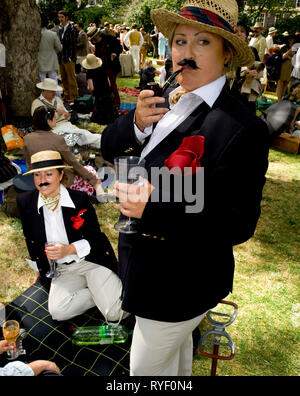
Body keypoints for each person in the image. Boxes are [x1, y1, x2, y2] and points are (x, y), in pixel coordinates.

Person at [100, 0, 269, 376]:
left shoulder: (242, 127)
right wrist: (135, 125)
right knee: (174, 368)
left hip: (180, 283)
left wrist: (153, 208)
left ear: (227, 53)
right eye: (179, 42)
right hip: (141, 267)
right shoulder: (167, 99)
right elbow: (109, 148)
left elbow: (238, 223)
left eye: (202, 43)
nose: (186, 54)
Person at [17, 150, 126, 323]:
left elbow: (95, 239)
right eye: (37, 175)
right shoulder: (26, 202)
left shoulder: (79, 199)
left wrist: (69, 249)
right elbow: (29, 237)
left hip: (91, 261)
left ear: (61, 175)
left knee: (114, 314)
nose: (42, 180)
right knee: (58, 312)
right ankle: (99, 293)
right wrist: (38, 267)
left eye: (48, 174)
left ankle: (107, 292)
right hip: (63, 269)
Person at [24, 106, 103, 196]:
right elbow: (73, 163)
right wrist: (93, 180)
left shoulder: (27, 139)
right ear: (48, 122)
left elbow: (29, 164)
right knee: (90, 170)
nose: (56, 119)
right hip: (58, 182)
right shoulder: (57, 139)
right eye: (54, 118)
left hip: (38, 180)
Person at [31, 78, 101, 149]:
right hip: (53, 130)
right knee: (82, 136)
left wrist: (67, 115)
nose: (54, 93)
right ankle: (104, 141)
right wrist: (57, 114)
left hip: (66, 125)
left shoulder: (57, 100)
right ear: (44, 90)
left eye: (55, 91)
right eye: (52, 91)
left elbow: (67, 115)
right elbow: (40, 122)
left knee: (84, 134)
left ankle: (103, 141)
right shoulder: (37, 103)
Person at [87, 27, 122, 108]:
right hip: (101, 67)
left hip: (112, 66)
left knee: (112, 85)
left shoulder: (110, 38)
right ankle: (106, 103)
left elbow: (119, 48)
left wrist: (115, 53)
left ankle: (117, 103)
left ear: (97, 35)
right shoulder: (96, 44)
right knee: (104, 87)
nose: (93, 40)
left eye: (93, 38)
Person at [82, 53, 118, 125]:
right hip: (109, 96)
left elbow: (91, 88)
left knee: (99, 117)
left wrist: (88, 88)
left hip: (99, 97)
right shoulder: (103, 69)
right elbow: (109, 83)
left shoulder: (89, 73)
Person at [58, 10, 78, 103]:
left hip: (69, 57)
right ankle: (66, 96)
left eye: (62, 17)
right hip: (62, 57)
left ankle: (74, 97)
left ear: (66, 17)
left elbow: (73, 44)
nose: (60, 19)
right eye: (59, 17)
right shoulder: (61, 29)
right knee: (64, 78)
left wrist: (71, 56)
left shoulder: (72, 29)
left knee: (71, 78)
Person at [38, 14, 62, 88]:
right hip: (52, 61)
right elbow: (59, 48)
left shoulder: (34, 35)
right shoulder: (52, 34)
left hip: (39, 62)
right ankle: (58, 99)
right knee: (54, 84)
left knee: (42, 85)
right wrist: (53, 52)